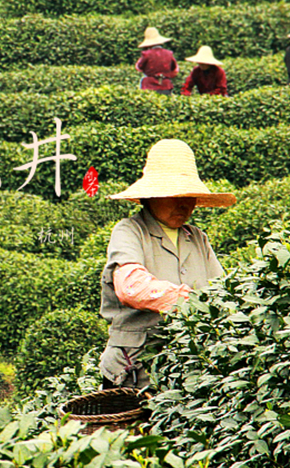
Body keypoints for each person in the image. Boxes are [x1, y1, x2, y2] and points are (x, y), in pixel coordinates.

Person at [99, 139, 235, 389]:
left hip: (187, 367)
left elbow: (221, 291)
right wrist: (189, 302)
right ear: (149, 197)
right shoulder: (130, 231)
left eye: (189, 196)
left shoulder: (196, 238)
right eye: (173, 195)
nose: (183, 203)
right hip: (135, 370)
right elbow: (131, 287)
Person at [135, 27, 178, 94]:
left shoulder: (146, 54)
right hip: (165, 85)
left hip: (149, 85)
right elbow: (175, 69)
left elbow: (139, 67)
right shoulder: (169, 53)